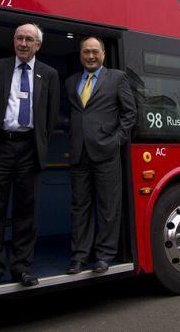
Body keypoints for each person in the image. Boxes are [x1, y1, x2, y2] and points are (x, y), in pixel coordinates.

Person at [0, 23, 60, 289]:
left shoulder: (49, 74)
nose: (23, 43)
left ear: (38, 45)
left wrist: (40, 146)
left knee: (27, 212)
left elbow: (50, 116)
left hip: (29, 148)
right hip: (0, 147)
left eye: (29, 39)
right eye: (19, 38)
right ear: (13, 41)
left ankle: (21, 267)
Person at [65, 36, 136, 274]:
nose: (91, 56)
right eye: (86, 52)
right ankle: (79, 257)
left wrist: (116, 140)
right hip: (78, 154)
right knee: (80, 208)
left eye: (95, 51)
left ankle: (105, 255)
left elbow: (129, 113)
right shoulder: (71, 82)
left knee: (108, 207)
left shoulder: (117, 78)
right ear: (81, 55)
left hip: (107, 153)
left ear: (103, 54)